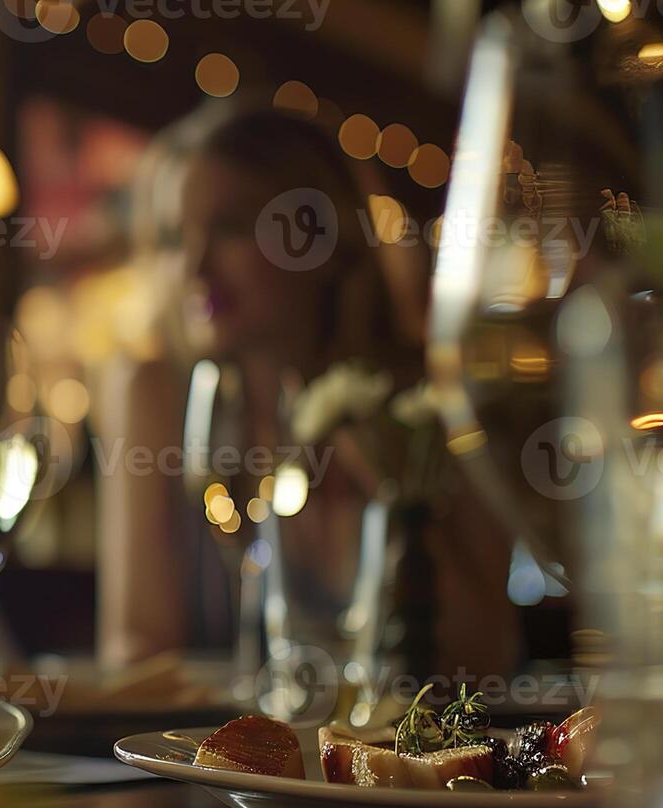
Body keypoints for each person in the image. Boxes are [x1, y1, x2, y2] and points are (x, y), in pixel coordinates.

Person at [100, 101, 517, 685]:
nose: (194, 266)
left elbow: (481, 658)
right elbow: (136, 652)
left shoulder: (432, 402)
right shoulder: (154, 395)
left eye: (230, 227)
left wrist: (387, 476)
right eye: (173, 237)